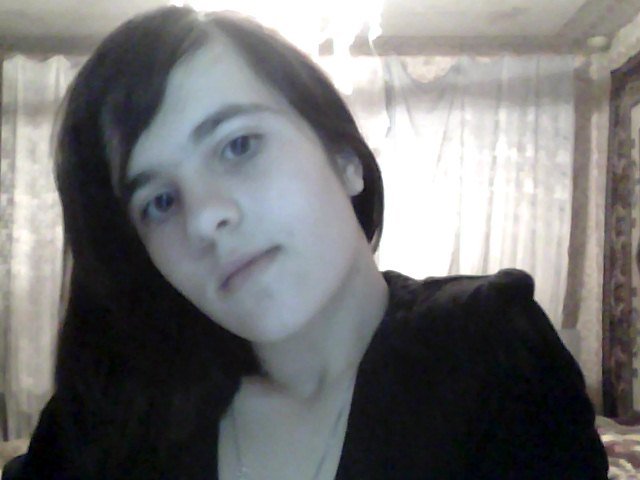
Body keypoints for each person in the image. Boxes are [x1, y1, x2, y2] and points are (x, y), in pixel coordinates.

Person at [2, 6, 608, 480]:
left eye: (238, 145)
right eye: (159, 202)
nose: (205, 217)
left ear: (344, 158)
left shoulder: (487, 351)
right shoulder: (122, 412)